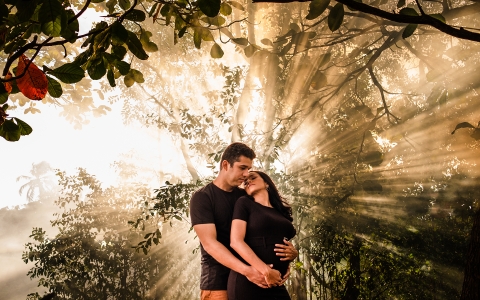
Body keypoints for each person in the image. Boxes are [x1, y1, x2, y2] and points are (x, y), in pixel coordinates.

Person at [190, 143, 298, 300]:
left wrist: (289, 256)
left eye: (249, 169)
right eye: (242, 168)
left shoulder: (246, 197)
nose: (246, 174)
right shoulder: (203, 197)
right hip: (218, 283)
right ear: (226, 165)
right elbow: (210, 244)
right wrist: (249, 271)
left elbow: (267, 229)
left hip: (256, 280)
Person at [227, 170, 296, 300]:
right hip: (249, 282)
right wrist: (266, 270)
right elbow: (236, 242)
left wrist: (292, 256)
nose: (248, 181)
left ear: (266, 183)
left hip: (276, 282)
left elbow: (278, 240)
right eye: (245, 181)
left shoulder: (281, 212)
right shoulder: (244, 203)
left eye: (252, 178)